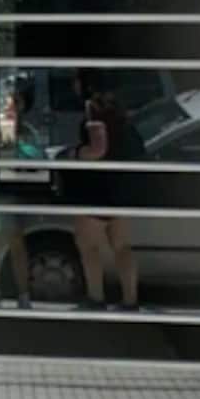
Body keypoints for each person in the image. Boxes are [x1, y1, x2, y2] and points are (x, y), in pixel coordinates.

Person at [69, 72, 141, 311]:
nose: (73, 85)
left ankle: (95, 297)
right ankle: (130, 300)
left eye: (76, 81)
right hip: (121, 188)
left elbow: (97, 149)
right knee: (122, 246)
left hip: (96, 189)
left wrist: (75, 154)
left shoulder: (93, 110)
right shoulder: (120, 111)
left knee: (89, 246)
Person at [0, 83, 43, 308]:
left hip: (9, 190)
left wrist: (14, 144)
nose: (7, 106)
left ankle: (23, 293)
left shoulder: (27, 131)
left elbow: (36, 158)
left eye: (12, 101)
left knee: (15, 241)